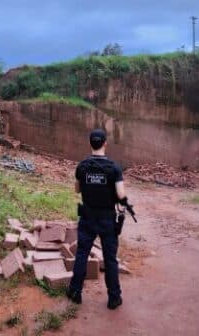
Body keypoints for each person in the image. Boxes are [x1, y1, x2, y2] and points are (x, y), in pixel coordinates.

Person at [66, 128, 128, 310]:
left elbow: (77, 190)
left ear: (90, 143)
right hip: (107, 220)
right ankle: (114, 298)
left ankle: (75, 292)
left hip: (87, 218)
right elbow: (121, 195)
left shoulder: (82, 166)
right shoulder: (114, 168)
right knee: (110, 259)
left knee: (82, 254)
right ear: (105, 143)